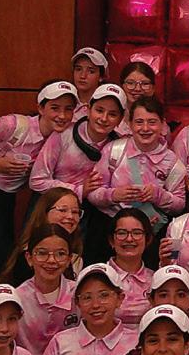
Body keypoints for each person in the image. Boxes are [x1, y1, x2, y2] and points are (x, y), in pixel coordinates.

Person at [0, 80, 78, 286]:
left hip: (7, 199)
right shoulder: (13, 125)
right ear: (41, 108)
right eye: (55, 108)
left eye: (68, 109)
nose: (62, 116)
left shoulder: (61, 139)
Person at [31, 82, 124, 264]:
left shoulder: (119, 146)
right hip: (53, 209)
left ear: (120, 119)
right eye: (99, 110)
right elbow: (37, 180)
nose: (104, 118)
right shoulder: (64, 135)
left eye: (112, 114)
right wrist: (79, 190)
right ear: (88, 109)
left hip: (94, 215)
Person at [90, 97, 180, 262]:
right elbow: (92, 193)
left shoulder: (172, 161)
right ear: (130, 124)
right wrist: (113, 195)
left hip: (150, 234)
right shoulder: (114, 150)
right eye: (139, 122)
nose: (145, 128)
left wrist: (158, 195)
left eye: (152, 122)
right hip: (110, 230)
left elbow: (179, 204)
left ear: (162, 124)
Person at [40, 263, 137, 355]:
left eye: (104, 295)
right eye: (87, 297)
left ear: (119, 298)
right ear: (77, 303)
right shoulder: (61, 342)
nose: (96, 305)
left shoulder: (135, 343)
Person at [9, 225, 78, 355]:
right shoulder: (16, 299)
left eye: (60, 254)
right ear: (29, 258)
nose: (51, 260)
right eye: (42, 253)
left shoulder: (78, 294)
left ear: (69, 259)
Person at [0, 187, 83, 287]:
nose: (70, 216)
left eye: (75, 212)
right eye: (62, 210)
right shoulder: (27, 255)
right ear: (44, 212)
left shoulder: (76, 258)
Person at [105, 209, 157, 326]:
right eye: (122, 233)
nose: (129, 239)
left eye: (137, 233)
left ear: (148, 239)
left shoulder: (156, 280)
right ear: (111, 240)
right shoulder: (98, 277)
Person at [70, 47, 107, 120]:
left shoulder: (108, 105)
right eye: (78, 69)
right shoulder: (63, 102)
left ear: (101, 77)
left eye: (91, 71)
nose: (83, 76)